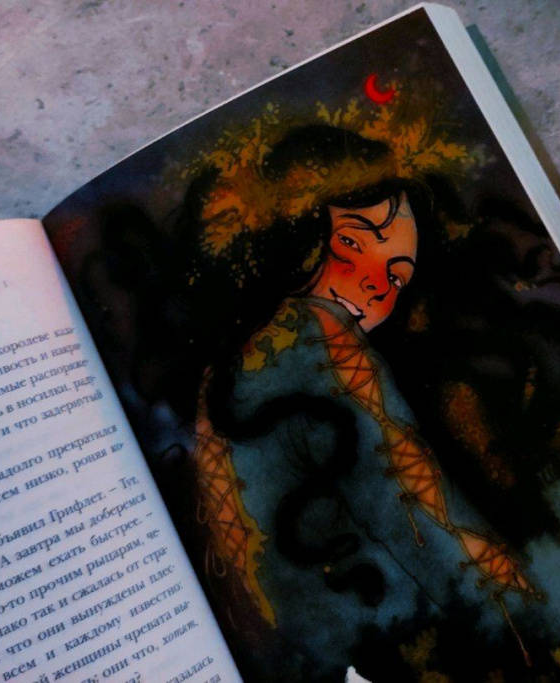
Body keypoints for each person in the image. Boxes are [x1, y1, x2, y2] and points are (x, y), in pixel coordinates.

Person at [183, 125, 541, 680]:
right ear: (296, 231)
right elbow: (419, 509)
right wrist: (531, 626)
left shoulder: (221, 373)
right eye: (352, 244)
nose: (376, 284)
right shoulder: (319, 331)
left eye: (397, 276)